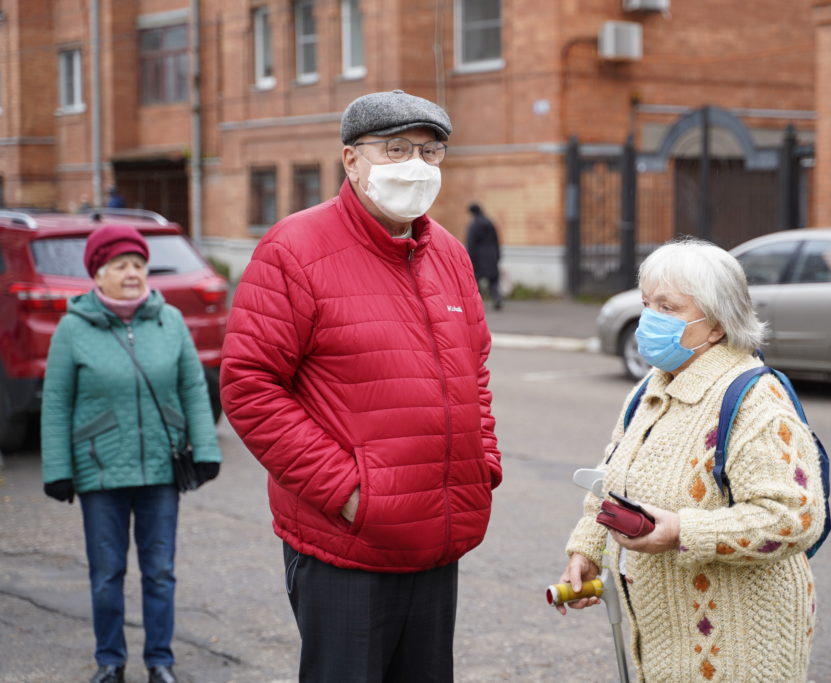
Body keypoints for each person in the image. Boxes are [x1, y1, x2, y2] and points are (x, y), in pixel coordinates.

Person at [220, 89, 502, 683]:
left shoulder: (448, 253)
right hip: (347, 547)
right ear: (351, 161)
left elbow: (474, 371)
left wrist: (484, 464)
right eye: (396, 149)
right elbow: (250, 386)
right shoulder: (294, 248)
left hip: (436, 535)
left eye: (431, 152)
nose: (416, 166)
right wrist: (350, 493)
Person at [557, 237, 826, 682]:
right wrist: (587, 548)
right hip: (667, 637)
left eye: (668, 307)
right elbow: (611, 478)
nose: (649, 319)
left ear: (717, 324)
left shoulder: (757, 401)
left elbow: (795, 519)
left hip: (741, 645)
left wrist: (683, 531)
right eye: (647, 304)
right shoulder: (652, 387)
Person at [40, 225, 221, 683]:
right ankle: (110, 660)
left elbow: (193, 388)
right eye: (120, 266)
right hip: (100, 471)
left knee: (160, 571)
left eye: (138, 265)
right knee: (107, 573)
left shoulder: (169, 321)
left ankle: (160, 661)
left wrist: (205, 447)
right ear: (97, 275)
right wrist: (58, 469)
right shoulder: (72, 328)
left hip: (162, 468)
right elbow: (57, 402)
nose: (132, 274)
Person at [465, 203, 502, 310]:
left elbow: (471, 242)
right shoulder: (490, 222)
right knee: (493, 280)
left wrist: (469, 257)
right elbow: (496, 240)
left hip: (478, 256)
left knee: (476, 280)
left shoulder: (474, 225)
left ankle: (477, 303)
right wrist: (498, 255)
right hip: (492, 254)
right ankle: (497, 298)